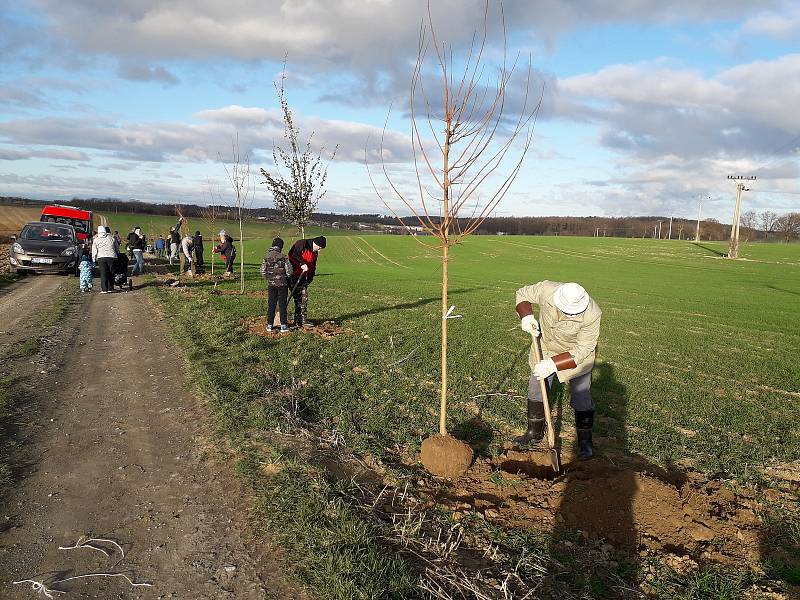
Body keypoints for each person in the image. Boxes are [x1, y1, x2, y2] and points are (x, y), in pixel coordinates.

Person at [514, 281, 602, 460]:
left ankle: (585, 442)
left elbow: (584, 348)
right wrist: (526, 317)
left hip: (575, 358)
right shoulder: (547, 289)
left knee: (581, 398)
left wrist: (552, 365)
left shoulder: (592, 314)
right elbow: (522, 294)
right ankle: (534, 432)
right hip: (544, 348)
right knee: (536, 389)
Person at [287, 236, 326, 327]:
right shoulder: (302, 243)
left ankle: (300, 320)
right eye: (319, 246)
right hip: (293, 275)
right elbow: (293, 254)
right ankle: (299, 320)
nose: (319, 249)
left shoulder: (315, 253)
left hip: (303, 277)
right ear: (315, 243)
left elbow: (312, 266)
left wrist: (310, 277)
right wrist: (302, 263)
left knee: (303, 298)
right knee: (300, 298)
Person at [261, 237, 292, 333]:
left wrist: (269, 278)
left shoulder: (266, 257)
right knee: (282, 305)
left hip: (271, 285)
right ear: (281, 246)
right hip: (282, 285)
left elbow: (262, 271)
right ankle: (283, 326)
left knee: (271, 305)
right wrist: (285, 278)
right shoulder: (284, 257)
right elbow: (289, 272)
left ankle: (269, 325)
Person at [91, 225, 119, 293]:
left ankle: (104, 289)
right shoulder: (111, 238)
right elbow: (116, 247)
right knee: (111, 272)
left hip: (101, 257)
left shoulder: (96, 239)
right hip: (112, 257)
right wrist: (117, 253)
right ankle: (110, 288)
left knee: (103, 273)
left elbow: (94, 250)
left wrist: (93, 259)